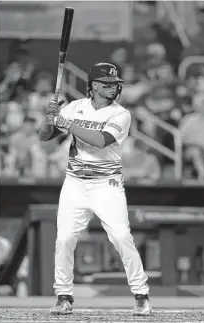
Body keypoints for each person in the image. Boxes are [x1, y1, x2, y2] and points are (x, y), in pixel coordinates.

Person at [39, 63, 152, 316]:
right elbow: (45, 138)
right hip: (75, 183)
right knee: (65, 238)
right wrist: (49, 118)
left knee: (121, 236)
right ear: (93, 86)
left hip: (107, 185)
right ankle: (63, 296)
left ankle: (141, 295)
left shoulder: (121, 114)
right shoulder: (75, 107)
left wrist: (65, 123)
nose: (113, 87)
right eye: (107, 84)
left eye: (115, 83)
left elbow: (100, 142)